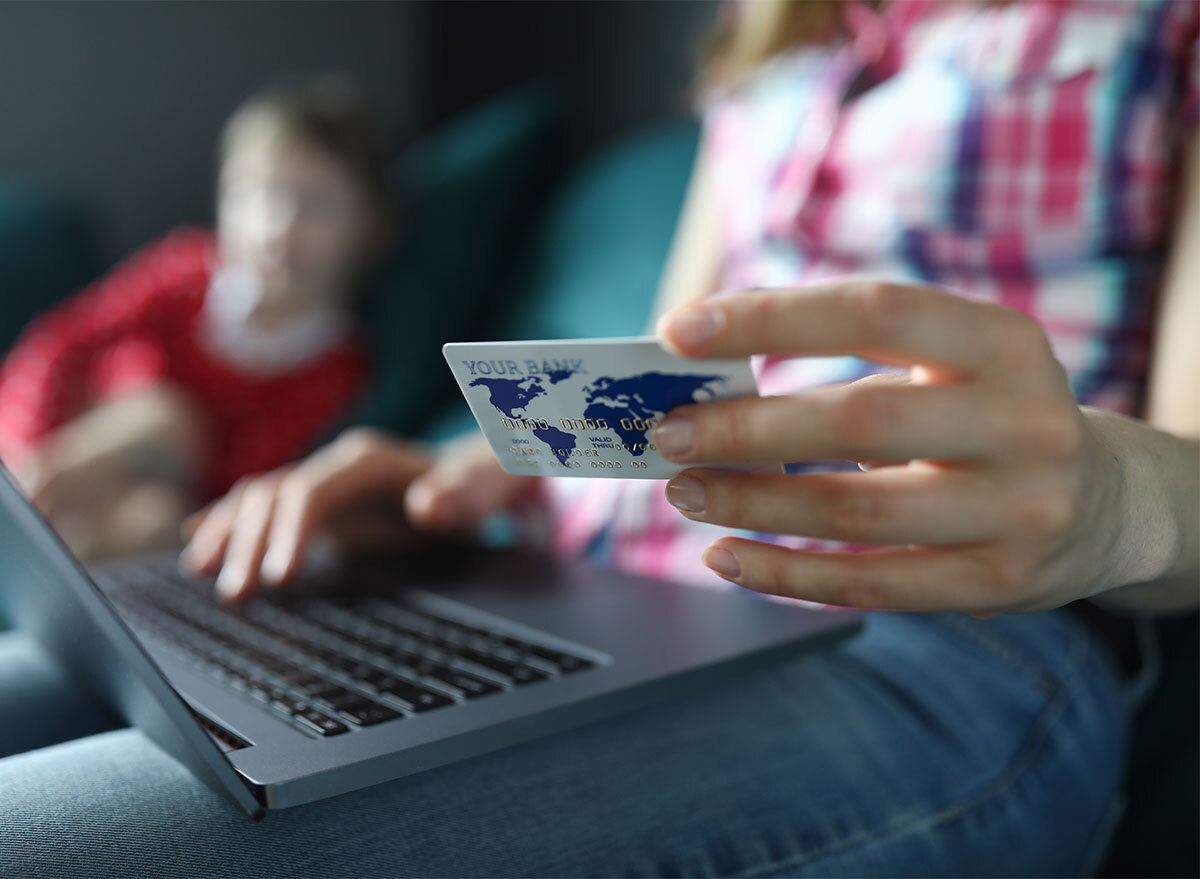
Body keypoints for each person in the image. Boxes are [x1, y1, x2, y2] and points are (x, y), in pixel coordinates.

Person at [1, 1, 1197, 876]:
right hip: (587, 586)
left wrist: (1113, 500)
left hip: (928, 647)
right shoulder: (772, 47)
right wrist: (466, 478)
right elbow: (661, 391)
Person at [0, 77, 391, 562]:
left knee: (154, 518)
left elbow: (239, 479)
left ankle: (45, 582)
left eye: (315, 205)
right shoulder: (185, 269)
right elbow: (60, 343)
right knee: (164, 417)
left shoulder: (335, 369)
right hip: (66, 433)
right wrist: (29, 453)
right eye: (258, 196)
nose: (279, 227)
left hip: (158, 501)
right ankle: (16, 515)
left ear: (371, 225)